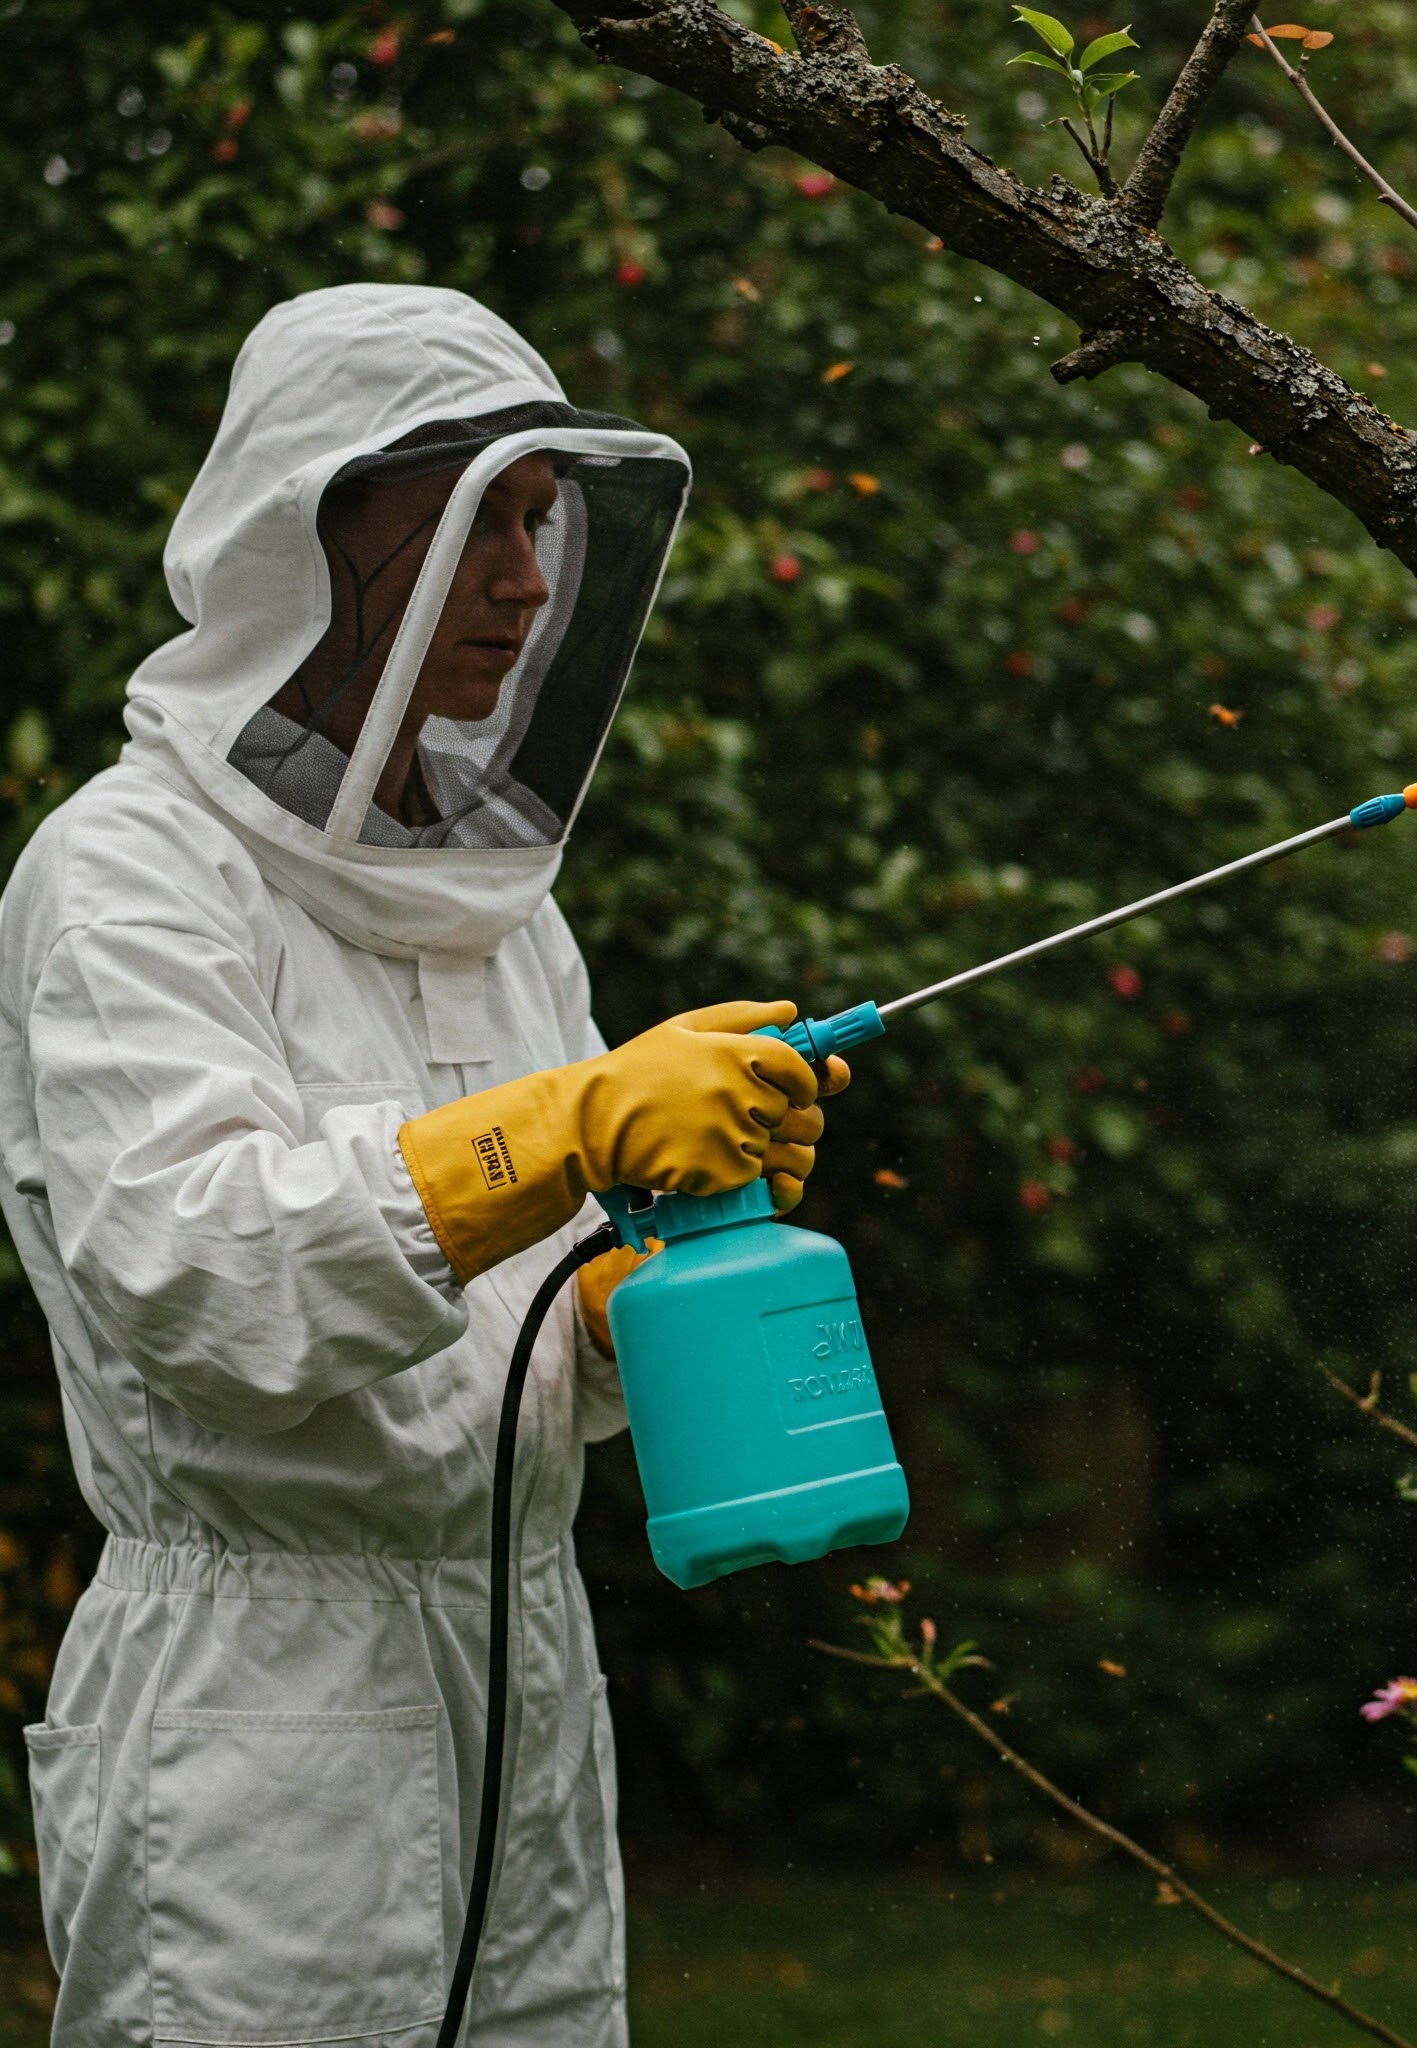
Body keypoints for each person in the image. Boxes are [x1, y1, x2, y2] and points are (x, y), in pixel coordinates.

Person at [0, 282, 844, 2044]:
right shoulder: (128, 872)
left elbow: (509, 1323)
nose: (529, 583)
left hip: (527, 1674)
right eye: (481, 521)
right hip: (263, 1717)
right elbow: (199, 1272)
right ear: (319, 527)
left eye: (543, 523)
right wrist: (568, 1129)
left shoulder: (491, 908)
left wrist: (648, 1280)